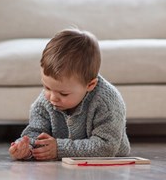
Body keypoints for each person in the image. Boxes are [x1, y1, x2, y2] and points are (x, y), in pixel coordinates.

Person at [8, 28, 130, 160]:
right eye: (46, 87)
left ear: (90, 85)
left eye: (63, 93)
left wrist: (59, 149)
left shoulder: (107, 102)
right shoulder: (44, 101)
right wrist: (26, 147)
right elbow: (35, 132)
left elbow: (107, 146)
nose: (52, 98)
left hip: (106, 165)